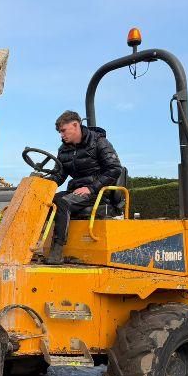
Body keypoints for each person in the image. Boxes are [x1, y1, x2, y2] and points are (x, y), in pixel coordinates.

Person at [44, 110, 123, 265]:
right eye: (60, 132)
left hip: (99, 191)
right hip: (77, 191)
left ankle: (57, 251)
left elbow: (114, 169)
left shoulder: (99, 142)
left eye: (63, 130)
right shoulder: (64, 150)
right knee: (48, 201)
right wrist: (43, 183)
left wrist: (92, 188)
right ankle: (40, 246)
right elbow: (59, 176)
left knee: (63, 202)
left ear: (75, 125)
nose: (61, 135)